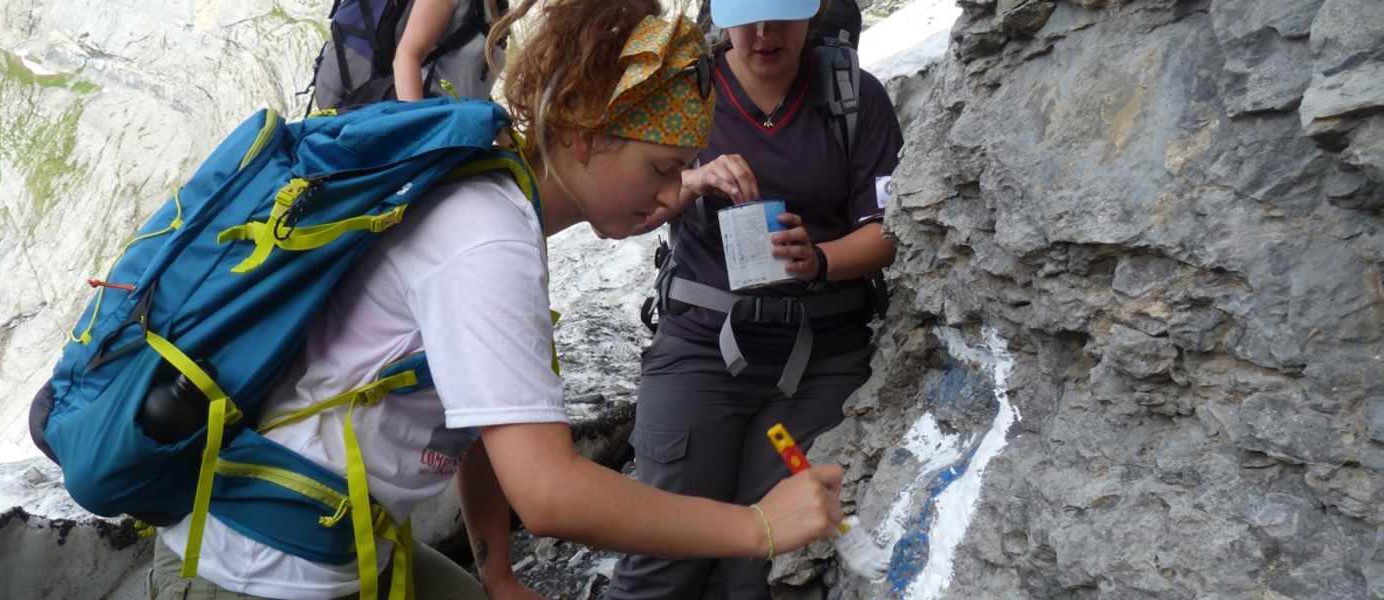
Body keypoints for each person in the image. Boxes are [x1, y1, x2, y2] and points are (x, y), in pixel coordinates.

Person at [147, 2, 847, 599]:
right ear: (581, 132)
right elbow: (547, 492)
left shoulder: (502, 200)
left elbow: (488, 422)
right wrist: (756, 527)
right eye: (660, 168)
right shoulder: (488, 238)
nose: (671, 196)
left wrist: (497, 571)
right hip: (249, 566)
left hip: (322, 535)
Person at [611, 0, 905, 597]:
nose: (764, 33)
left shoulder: (854, 96)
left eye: (782, 16)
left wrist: (819, 259)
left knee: (760, 567)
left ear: (813, 13)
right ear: (721, 14)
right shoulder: (684, 90)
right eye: (748, 16)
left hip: (820, 359)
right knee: (665, 552)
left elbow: (890, 230)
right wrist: (690, 180)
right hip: (701, 346)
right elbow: (617, 217)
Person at [392, 0, 505, 102]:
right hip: (432, 115)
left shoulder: (502, 13)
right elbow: (406, 56)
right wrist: (418, 122)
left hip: (461, 120)